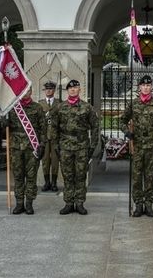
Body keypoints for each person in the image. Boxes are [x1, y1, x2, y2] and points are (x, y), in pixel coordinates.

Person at [121, 75, 153, 218]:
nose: (146, 88)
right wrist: (127, 132)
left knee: (150, 177)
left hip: (152, 147)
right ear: (139, 87)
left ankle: (149, 204)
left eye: (148, 85)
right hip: (137, 147)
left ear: (152, 87)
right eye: (143, 85)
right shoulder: (133, 104)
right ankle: (138, 205)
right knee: (136, 178)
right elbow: (122, 120)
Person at [51, 80, 99, 215]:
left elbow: (95, 126)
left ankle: (79, 203)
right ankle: (68, 202)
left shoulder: (87, 107)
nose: (73, 90)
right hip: (65, 146)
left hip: (81, 146)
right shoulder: (60, 107)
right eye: (70, 88)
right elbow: (54, 127)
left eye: (75, 88)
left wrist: (92, 145)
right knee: (67, 175)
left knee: (80, 175)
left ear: (79, 90)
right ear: (67, 91)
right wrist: (55, 145)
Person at [9, 88, 46, 215]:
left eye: (28, 90)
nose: (25, 93)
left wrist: (42, 145)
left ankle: (29, 203)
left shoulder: (37, 108)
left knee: (31, 177)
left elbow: (43, 128)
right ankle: (19, 203)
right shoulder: (13, 108)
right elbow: (4, 125)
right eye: (23, 90)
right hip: (16, 148)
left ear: (31, 92)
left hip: (32, 148)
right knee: (18, 177)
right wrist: (2, 112)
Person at [38, 80, 61, 192]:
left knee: (55, 160)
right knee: (45, 160)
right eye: (47, 89)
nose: (48, 90)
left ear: (54, 90)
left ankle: (54, 183)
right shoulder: (40, 104)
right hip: (44, 137)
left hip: (55, 136)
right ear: (44, 90)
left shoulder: (59, 103)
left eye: (51, 89)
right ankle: (47, 182)